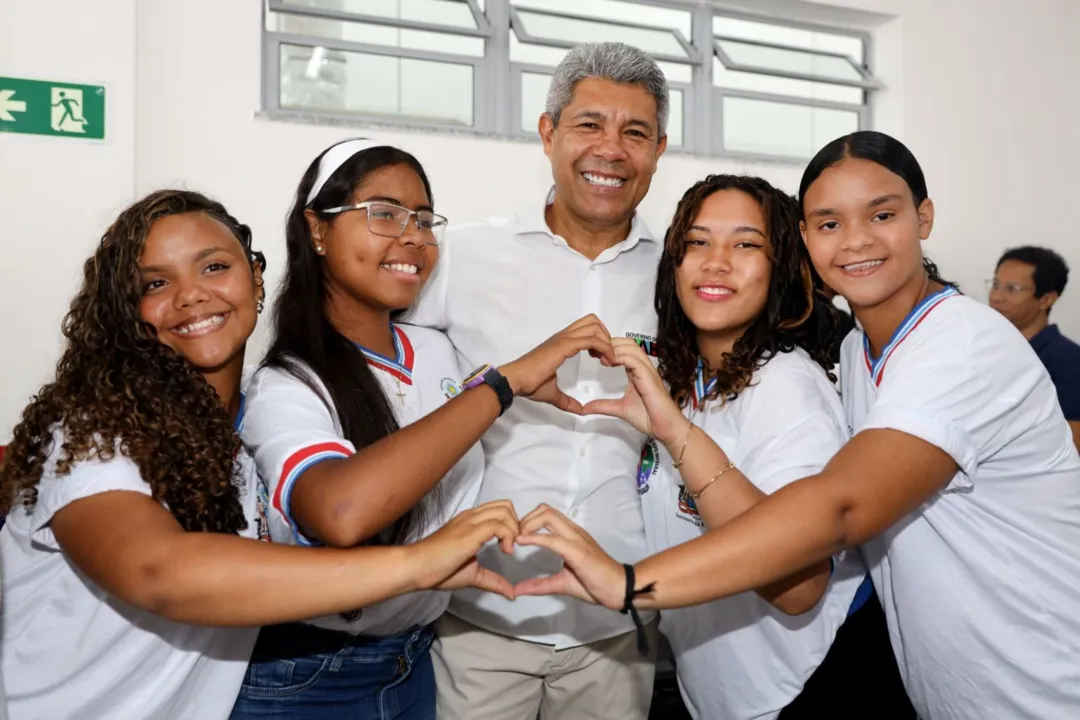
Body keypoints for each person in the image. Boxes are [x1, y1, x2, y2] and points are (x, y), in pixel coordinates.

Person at [514, 131, 1080, 720]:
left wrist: (629, 584)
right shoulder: (863, 350)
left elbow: (838, 513)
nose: (857, 239)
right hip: (950, 689)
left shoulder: (961, 344)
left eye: (882, 214)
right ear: (806, 240)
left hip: (1043, 683)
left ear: (924, 217)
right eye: (829, 223)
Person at [0, 189, 525, 720]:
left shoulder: (254, 421)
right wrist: (415, 564)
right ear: (127, 311)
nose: (190, 295)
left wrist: (495, 385)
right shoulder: (94, 432)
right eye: (155, 283)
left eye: (213, 267)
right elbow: (157, 571)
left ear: (255, 276)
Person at [230, 138, 617, 720]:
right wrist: (502, 385)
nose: (413, 236)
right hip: (308, 676)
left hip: (414, 663)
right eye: (383, 214)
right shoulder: (284, 384)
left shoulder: (438, 351)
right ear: (317, 229)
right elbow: (341, 512)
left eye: (423, 219)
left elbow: (454, 421)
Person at [574, 173, 905, 719]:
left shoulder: (785, 385)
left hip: (804, 688)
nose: (715, 261)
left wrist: (678, 437)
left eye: (747, 244)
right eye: (697, 242)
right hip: (718, 690)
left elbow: (798, 586)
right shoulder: (684, 381)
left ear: (781, 268)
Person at [406, 41, 668, 719]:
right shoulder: (461, 256)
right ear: (548, 133)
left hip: (617, 633)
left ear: (659, 150)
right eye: (589, 124)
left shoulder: (681, 277)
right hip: (480, 620)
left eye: (634, 132)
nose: (610, 150)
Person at [989, 246, 1080, 447]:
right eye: (996, 284)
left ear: (1046, 299)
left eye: (1012, 289)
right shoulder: (987, 349)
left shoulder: (1070, 361)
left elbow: (1069, 446)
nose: (996, 297)